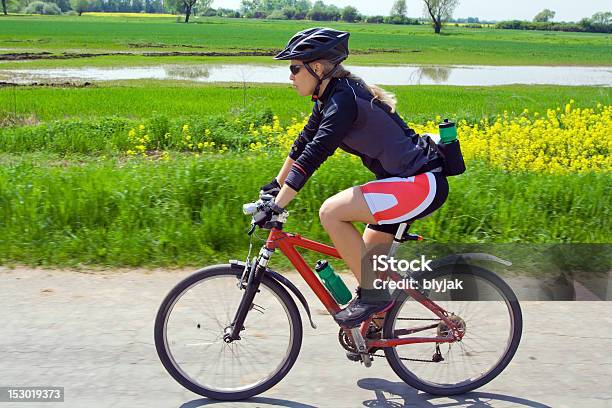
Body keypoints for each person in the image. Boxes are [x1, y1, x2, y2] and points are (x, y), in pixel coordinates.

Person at [256, 27, 449, 328]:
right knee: (369, 268)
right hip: (403, 184)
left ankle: (373, 298)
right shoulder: (329, 97)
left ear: (317, 68)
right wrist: (275, 186)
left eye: (295, 68)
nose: (290, 76)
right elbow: (303, 143)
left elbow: (315, 154)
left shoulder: (342, 101)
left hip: (419, 184)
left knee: (331, 212)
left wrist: (278, 205)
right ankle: (376, 329)